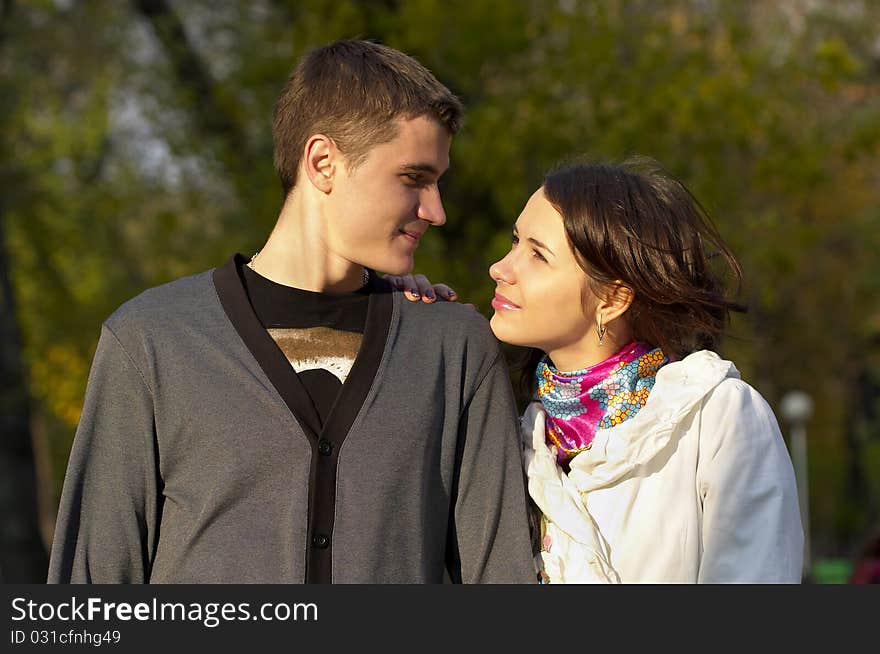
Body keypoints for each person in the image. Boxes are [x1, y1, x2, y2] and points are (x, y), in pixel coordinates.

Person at [48, 40, 536, 584]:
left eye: (438, 182)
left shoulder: (453, 348)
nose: (436, 211)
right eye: (414, 179)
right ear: (323, 162)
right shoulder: (152, 341)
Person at [389, 158, 804, 583]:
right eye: (515, 242)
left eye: (537, 255)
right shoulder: (514, 440)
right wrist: (408, 333)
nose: (501, 268)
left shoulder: (713, 418)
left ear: (612, 299)